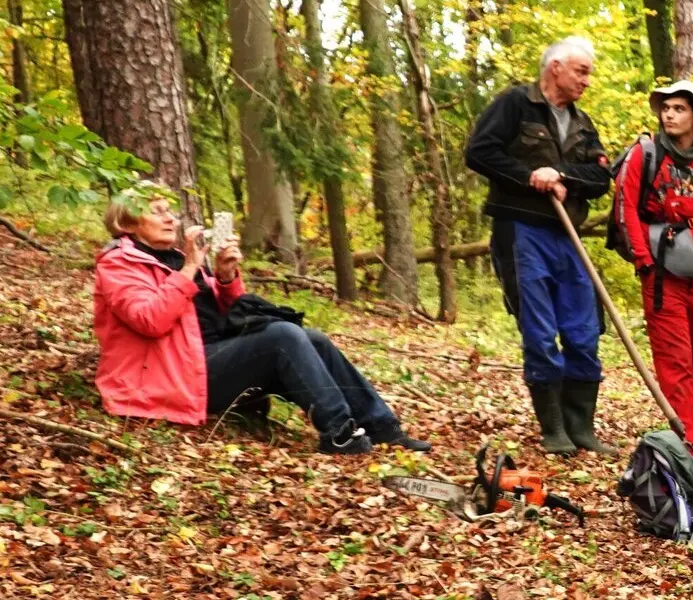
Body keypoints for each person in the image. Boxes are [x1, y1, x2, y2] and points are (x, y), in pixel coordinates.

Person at [93, 183, 429, 454]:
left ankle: (382, 427)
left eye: (170, 211)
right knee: (282, 337)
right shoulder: (119, 263)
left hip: (202, 359)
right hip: (170, 376)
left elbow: (220, 316)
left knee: (312, 338)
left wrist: (224, 277)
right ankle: (340, 434)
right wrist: (192, 268)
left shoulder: (173, 258)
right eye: (156, 212)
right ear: (128, 223)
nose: (170, 219)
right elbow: (149, 320)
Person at [464, 37, 616, 456]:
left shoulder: (584, 123)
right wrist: (530, 176)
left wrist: (561, 175)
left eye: (589, 72)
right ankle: (553, 429)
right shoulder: (515, 104)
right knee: (540, 329)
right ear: (555, 68)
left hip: (568, 237)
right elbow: (479, 153)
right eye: (582, 71)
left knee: (584, 330)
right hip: (521, 232)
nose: (588, 80)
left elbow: (601, 178)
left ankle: (581, 427)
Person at [611, 80, 693, 472]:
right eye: (666, 108)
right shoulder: (645, 153)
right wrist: (643, 261)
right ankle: (688, 445)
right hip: (662, 267)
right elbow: (627, 206)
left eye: (679, 108)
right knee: (675, 359)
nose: (670, 114)